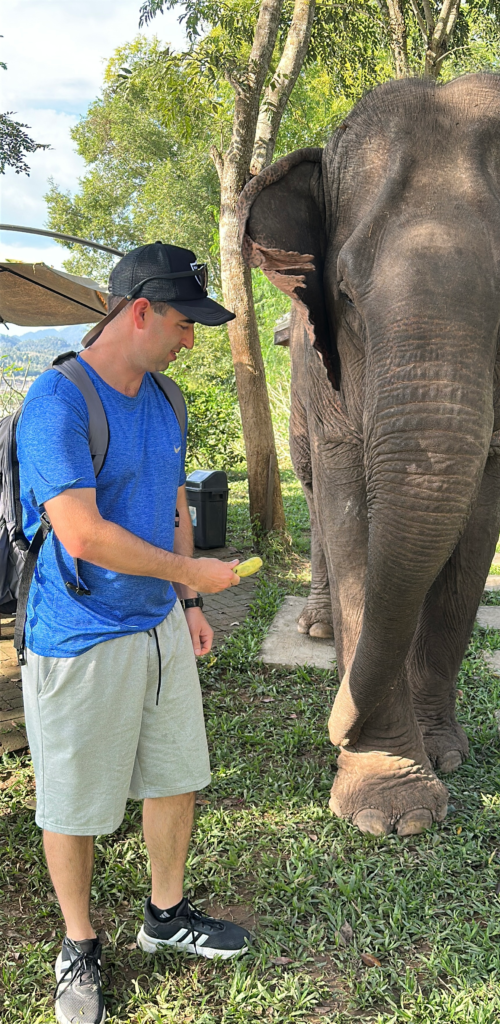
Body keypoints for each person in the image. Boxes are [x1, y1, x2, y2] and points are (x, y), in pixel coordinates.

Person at [17, 242, 251, 1024]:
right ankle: (79, 944)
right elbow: (79, 534)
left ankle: (165, 913)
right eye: (185, 324)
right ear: (141, 311)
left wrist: (184, 603)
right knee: (74, 803)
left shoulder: (167, 399)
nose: (191, 341)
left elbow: (173, 504)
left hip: (158, 627)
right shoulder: (57, 401)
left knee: (175, 775)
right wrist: (191, 578)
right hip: (80, 635)